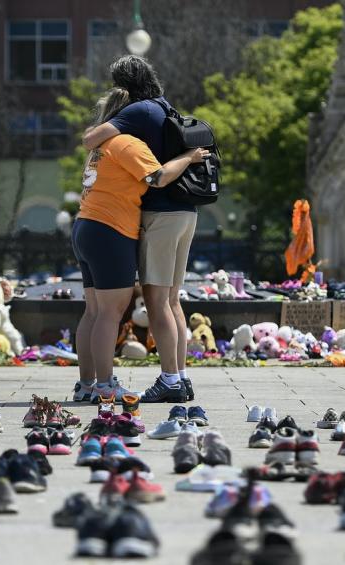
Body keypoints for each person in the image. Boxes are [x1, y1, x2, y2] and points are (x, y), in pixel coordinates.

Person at [73, 87, 209, 404]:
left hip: (85, 226)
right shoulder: (127, 143)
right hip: (111, 230)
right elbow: (159, 177)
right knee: (111, 312)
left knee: (93, 311)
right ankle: (105, 385)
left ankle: (86, 384)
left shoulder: (100, 147)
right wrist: (189, 156)